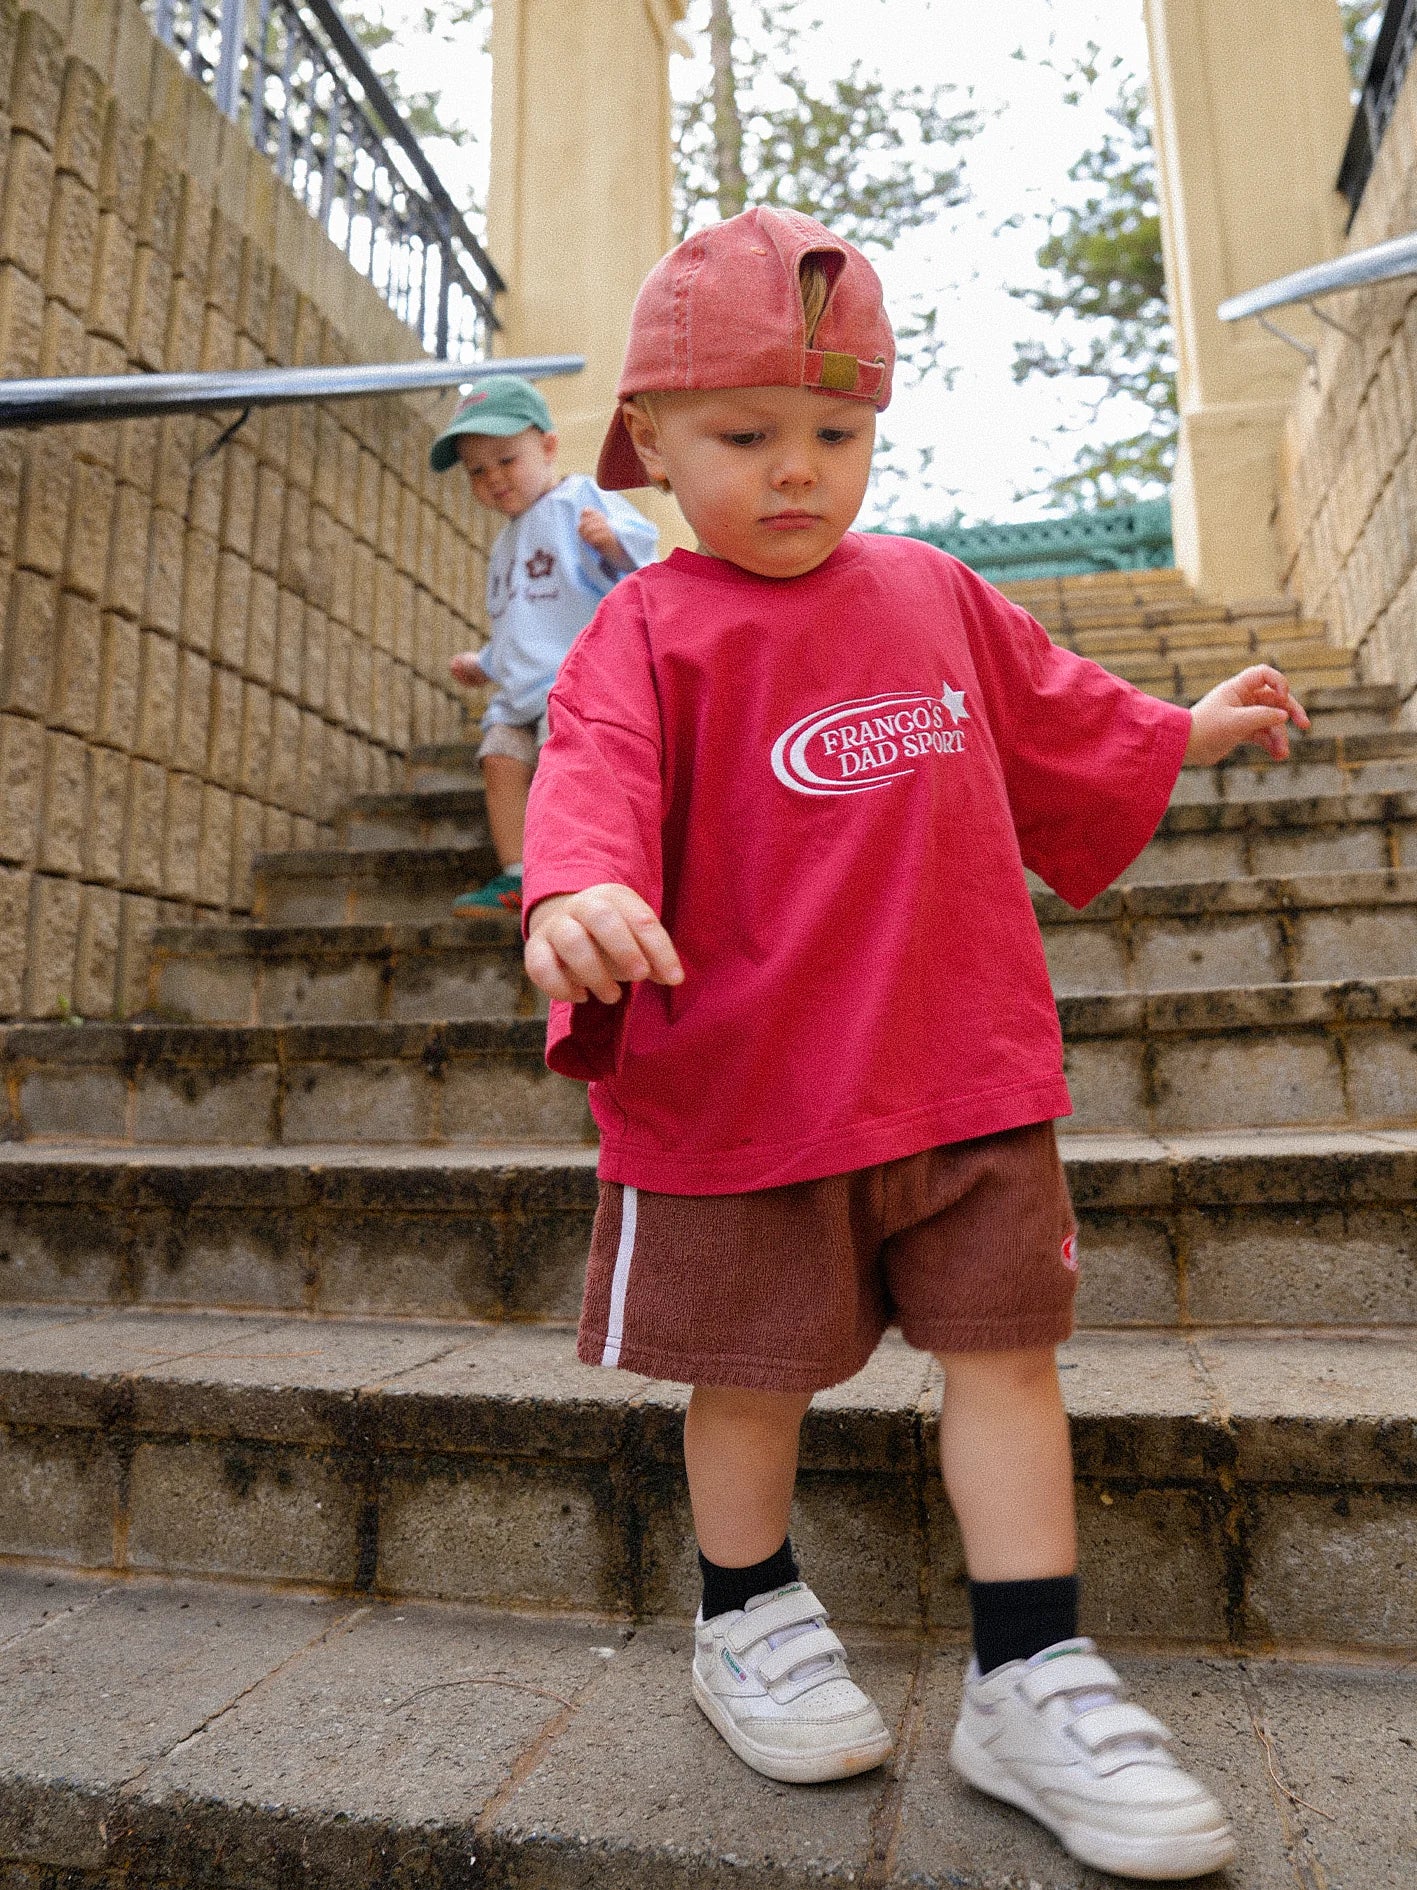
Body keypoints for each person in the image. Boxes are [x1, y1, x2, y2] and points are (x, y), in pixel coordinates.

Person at [519, 209, 1309, 1882]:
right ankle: (746, 1614)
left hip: (961, 1066)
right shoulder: (643, 632)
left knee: (1008, 1354)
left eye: (837, 433)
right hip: (739, 1083)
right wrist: (572, 892)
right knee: (747, 1375)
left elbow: (1059, 712)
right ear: (649, 445)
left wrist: (1186, 728)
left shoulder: (930, 590)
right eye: (744, 436)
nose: (795, 470)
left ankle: (1030, 1671)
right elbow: (588, 785)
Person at [429, 374, 658, 912]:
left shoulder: (579, 498)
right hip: (518, 691)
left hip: (574, 679)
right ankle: (515, 872)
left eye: (507, 460)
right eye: (478, 471)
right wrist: (483, 664)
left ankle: (581, 865)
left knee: (563, 763)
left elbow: (641, 559)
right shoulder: (505, 544)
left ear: (548, 446)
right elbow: (519, 626)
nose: (494, 479)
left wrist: (614, 542)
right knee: (499, 757)